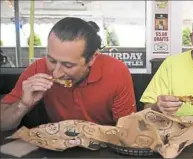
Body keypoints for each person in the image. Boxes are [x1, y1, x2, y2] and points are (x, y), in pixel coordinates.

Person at [0, 17, 136, 131]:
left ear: (92, 58)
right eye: (52, 60)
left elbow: (127, 130)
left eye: (68, 65)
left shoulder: (116, 71)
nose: (56, 73)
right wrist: (23, 104)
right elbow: (3, 125)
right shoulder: (38, 68)